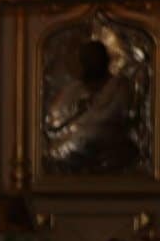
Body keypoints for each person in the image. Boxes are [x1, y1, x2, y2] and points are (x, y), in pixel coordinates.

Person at [43, 39, 141, 174]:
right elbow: (55, 119)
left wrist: (87, 114)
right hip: (73, 149)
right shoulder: (73, 89)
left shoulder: (119, 86)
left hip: (110, 145)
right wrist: (75, 110)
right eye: (87, 59)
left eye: (95, 58)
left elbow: (114, 115)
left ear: (105, 60)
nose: (91, 63)